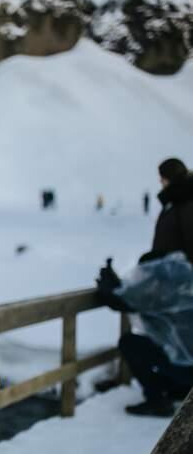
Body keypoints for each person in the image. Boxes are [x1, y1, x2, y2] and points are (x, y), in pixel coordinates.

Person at [96, 158, 193, 416]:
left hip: (176, 284)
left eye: (161, 178)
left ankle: (159, 397)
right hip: (173, 281)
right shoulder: (177, 203)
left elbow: (128, 302)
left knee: (133, 343)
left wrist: (117, 288)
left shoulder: (183, 204)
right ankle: (177, 389)